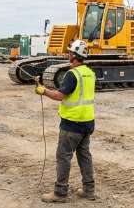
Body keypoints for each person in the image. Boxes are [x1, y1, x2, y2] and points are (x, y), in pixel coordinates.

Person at [34, 39, 97, 203]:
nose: (68, 54)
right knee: (84, 156)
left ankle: (60, 193)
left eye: (70, 52)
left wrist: (43, 90)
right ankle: (89, 190)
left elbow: (59, 95)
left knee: (63, 156)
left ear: (75, 56)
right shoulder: (90, 73)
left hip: (72, 124)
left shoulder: (72, 74)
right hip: (87, 122)